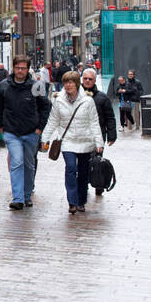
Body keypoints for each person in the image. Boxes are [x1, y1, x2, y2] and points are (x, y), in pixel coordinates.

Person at [41, 71, 103, 214]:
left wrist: (98, 142)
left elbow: (94, 122)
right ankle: (72, 202)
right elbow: (52, 121)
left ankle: (81, 201)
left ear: (77, 83)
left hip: (85, 140)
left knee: (83, 172)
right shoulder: (58, 100)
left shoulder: (87, 101)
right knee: (70, 168)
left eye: (71, 82)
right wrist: (45, 139)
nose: (68, 85)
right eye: (65, 82)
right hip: (67, 141)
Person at [0, 55, 50, 210]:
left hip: (31, 131)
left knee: (28, 164)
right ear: (13, 68)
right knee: (16, 162)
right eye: (18, 68)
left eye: (23, 68)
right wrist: (0, 124)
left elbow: (45, 106)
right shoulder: (4, 85)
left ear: (28, 69)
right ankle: (18, 198)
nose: (20, 71)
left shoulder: (36, 86)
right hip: (11, 131)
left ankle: (26, 195)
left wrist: (40, 127)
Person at [81, 68, 117, 195]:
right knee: (82, 162)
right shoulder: (76, 95)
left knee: (96, 161)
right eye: (85, 78)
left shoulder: (102, 97)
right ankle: (83, 185)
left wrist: (112, 135)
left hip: (98, 136)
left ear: (95, 80)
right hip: (80, 136)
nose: (87, 81)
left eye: (90, 79)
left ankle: (98, 184)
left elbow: (110, 117)